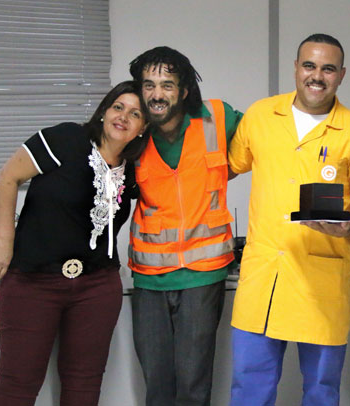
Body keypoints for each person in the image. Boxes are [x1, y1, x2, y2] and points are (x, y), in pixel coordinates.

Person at [227, 33, 350, 406]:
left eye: (328, 69)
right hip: (263, 277)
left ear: (341, 74)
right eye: (309, 65)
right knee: (249, 388)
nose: (317, 76)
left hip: (321, 280)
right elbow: (224, 168)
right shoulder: (261, 115)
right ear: (296, 68)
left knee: (322, 391)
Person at [0, 81, 148, 406]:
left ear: (143, 128)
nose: (123, 117)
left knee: (84, 384)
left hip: (97, 287)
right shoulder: (65, 138)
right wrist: (5, 242)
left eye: (135, 114)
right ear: (104, 111)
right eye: (118, 107)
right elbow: (8, 176)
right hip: (33, 281)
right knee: (18, 384)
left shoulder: (133, 169)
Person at [127, 46, 243, 406]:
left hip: (202, 275)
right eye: (148, 85)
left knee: (193, 385)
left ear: (184, 90)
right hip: (150, 276)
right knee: (157, 386)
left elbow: (266, 141)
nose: (156, 94)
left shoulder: (217, 118)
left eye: (167, 85)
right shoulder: (132, 129)